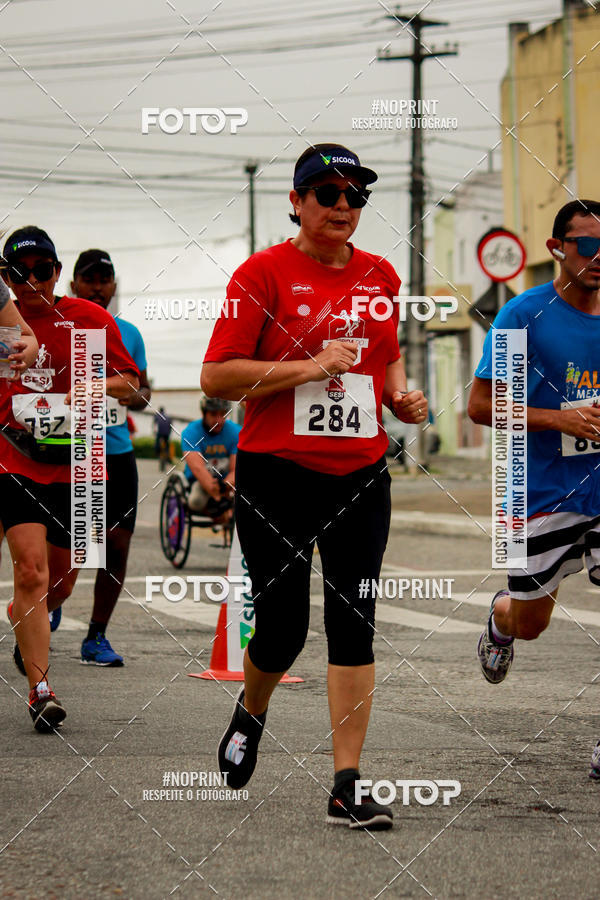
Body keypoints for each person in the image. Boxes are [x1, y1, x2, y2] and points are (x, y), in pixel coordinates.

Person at [201, 143, 427, 829]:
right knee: (282, 629)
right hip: (277, 474)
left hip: (360, 475)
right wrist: (308, 366)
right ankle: (252, 709)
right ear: (297, 202)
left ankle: (346, 784)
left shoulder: (382, 275)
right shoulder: (261, 273)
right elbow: (217, 375)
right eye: (327, 194)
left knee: (354, 623)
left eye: (355, 195)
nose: (342, 206)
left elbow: (384, 358)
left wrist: (400, 397)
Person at [468, 200, 600, 775]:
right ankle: (502, 620)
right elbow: (480, 406)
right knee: (532, 624)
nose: (599, 257)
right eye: (588, 245)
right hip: (542, 491)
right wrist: (559, 419)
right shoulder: (524, 315)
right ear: (557, 249)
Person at [0, 226, 139, 731]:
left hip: (80, 463)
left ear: (58, 272)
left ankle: (26, 618)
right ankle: (41, 691)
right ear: (6, 278)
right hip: (14, 460)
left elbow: (131, 384)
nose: (32, 281)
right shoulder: (2, 321)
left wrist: (94, 386)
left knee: (59, 585)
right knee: (31, 573)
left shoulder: (90, 318)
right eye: (20, 273)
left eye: (42, 270)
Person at [70, 249, 151, 666]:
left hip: (116, 451)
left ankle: (96, 636)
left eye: (104, 280)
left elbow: (143, 390)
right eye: (89, 279)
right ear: (73, 285)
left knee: (116, 545)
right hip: (66, 450)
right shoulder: (59, 326)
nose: (97, 288)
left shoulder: (128, 333)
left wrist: (129, 394)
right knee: (64, 545)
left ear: (114, 286)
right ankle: (46, 607)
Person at [181, 397, 239, 522]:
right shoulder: (191, 432)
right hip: (200, 481)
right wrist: (217, 496)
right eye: (213, 414)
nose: (219, 420)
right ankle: (216, 514)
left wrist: (225, 486)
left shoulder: (235, 432)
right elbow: (198, 468)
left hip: (226, 482)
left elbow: (236, 469)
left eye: (223, 414)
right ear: (204, 414)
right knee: (196, 501)